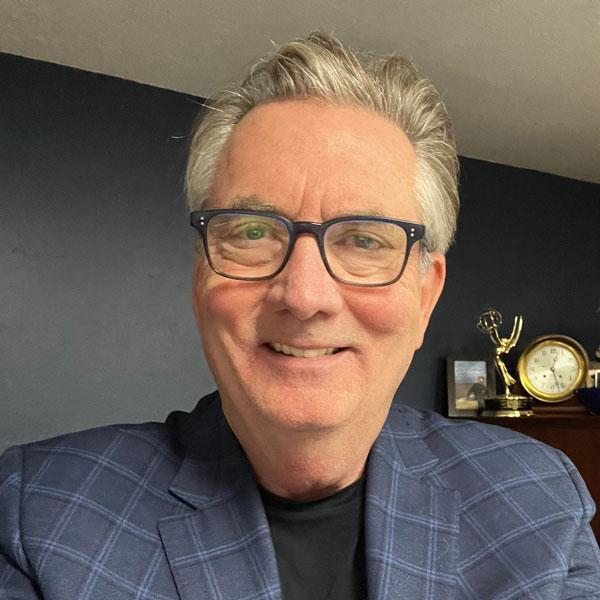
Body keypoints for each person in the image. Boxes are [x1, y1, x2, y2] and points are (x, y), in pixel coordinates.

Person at [1, 32, 599, 600]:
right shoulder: (40, 512)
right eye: (253, 232)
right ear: (201, 274)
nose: (305, 295)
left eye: (365, 240)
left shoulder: (537, 500)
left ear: (424, 297)